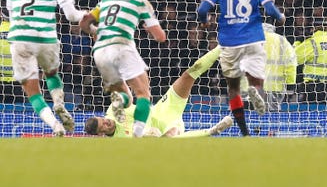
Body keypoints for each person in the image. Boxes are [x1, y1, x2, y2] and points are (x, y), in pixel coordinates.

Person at [197, 0, 285, 136]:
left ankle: (245, 132)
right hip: (253, 38)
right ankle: (256, 92)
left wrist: (205, 21)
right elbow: (270, 9)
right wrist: (281, 16)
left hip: (229, 42)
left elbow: (202, 9)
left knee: (234, 88)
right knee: (257, 81)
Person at [6, 0, 86, 136]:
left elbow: (11, 13)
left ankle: (55, 126)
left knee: (33, 91)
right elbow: (71, 16)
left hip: (20, 38)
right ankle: (59, 103)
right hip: (45, 37)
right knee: (51, 74)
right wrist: (87, 15)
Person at [80, 0, 166, 138]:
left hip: (99, 52)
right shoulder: (142, 2)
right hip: (121, 46)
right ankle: (137, 135)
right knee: (143, 93)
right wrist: (150, 30)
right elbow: (160, 37)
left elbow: (84, 23)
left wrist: (95, 31)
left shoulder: (106, 1)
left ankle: (119, 101)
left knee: (127, 97)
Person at [83, 49, 233, 138]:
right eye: (103, 126)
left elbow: (127, 98)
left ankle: (222, 47)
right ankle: (212, 131)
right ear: (101, 134)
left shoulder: (113, 112)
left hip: (162, 110)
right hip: (166, 129)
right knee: (169, 139)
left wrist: (121, 97)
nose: (107, 122)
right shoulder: (120, 142)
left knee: (188, 75)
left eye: (103, 120)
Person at [241, 23, 296, 111]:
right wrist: (290, 84)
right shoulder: (282, 40)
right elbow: (291, 63)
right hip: (274, 88)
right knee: (272, 120)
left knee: (250, 118)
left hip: (250, 87)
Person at [295, 18, 327, 104]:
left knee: (307, 116)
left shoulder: (311, 43)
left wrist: (298, 42)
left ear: (313, 29)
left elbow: (293, 58)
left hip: (311, 90)